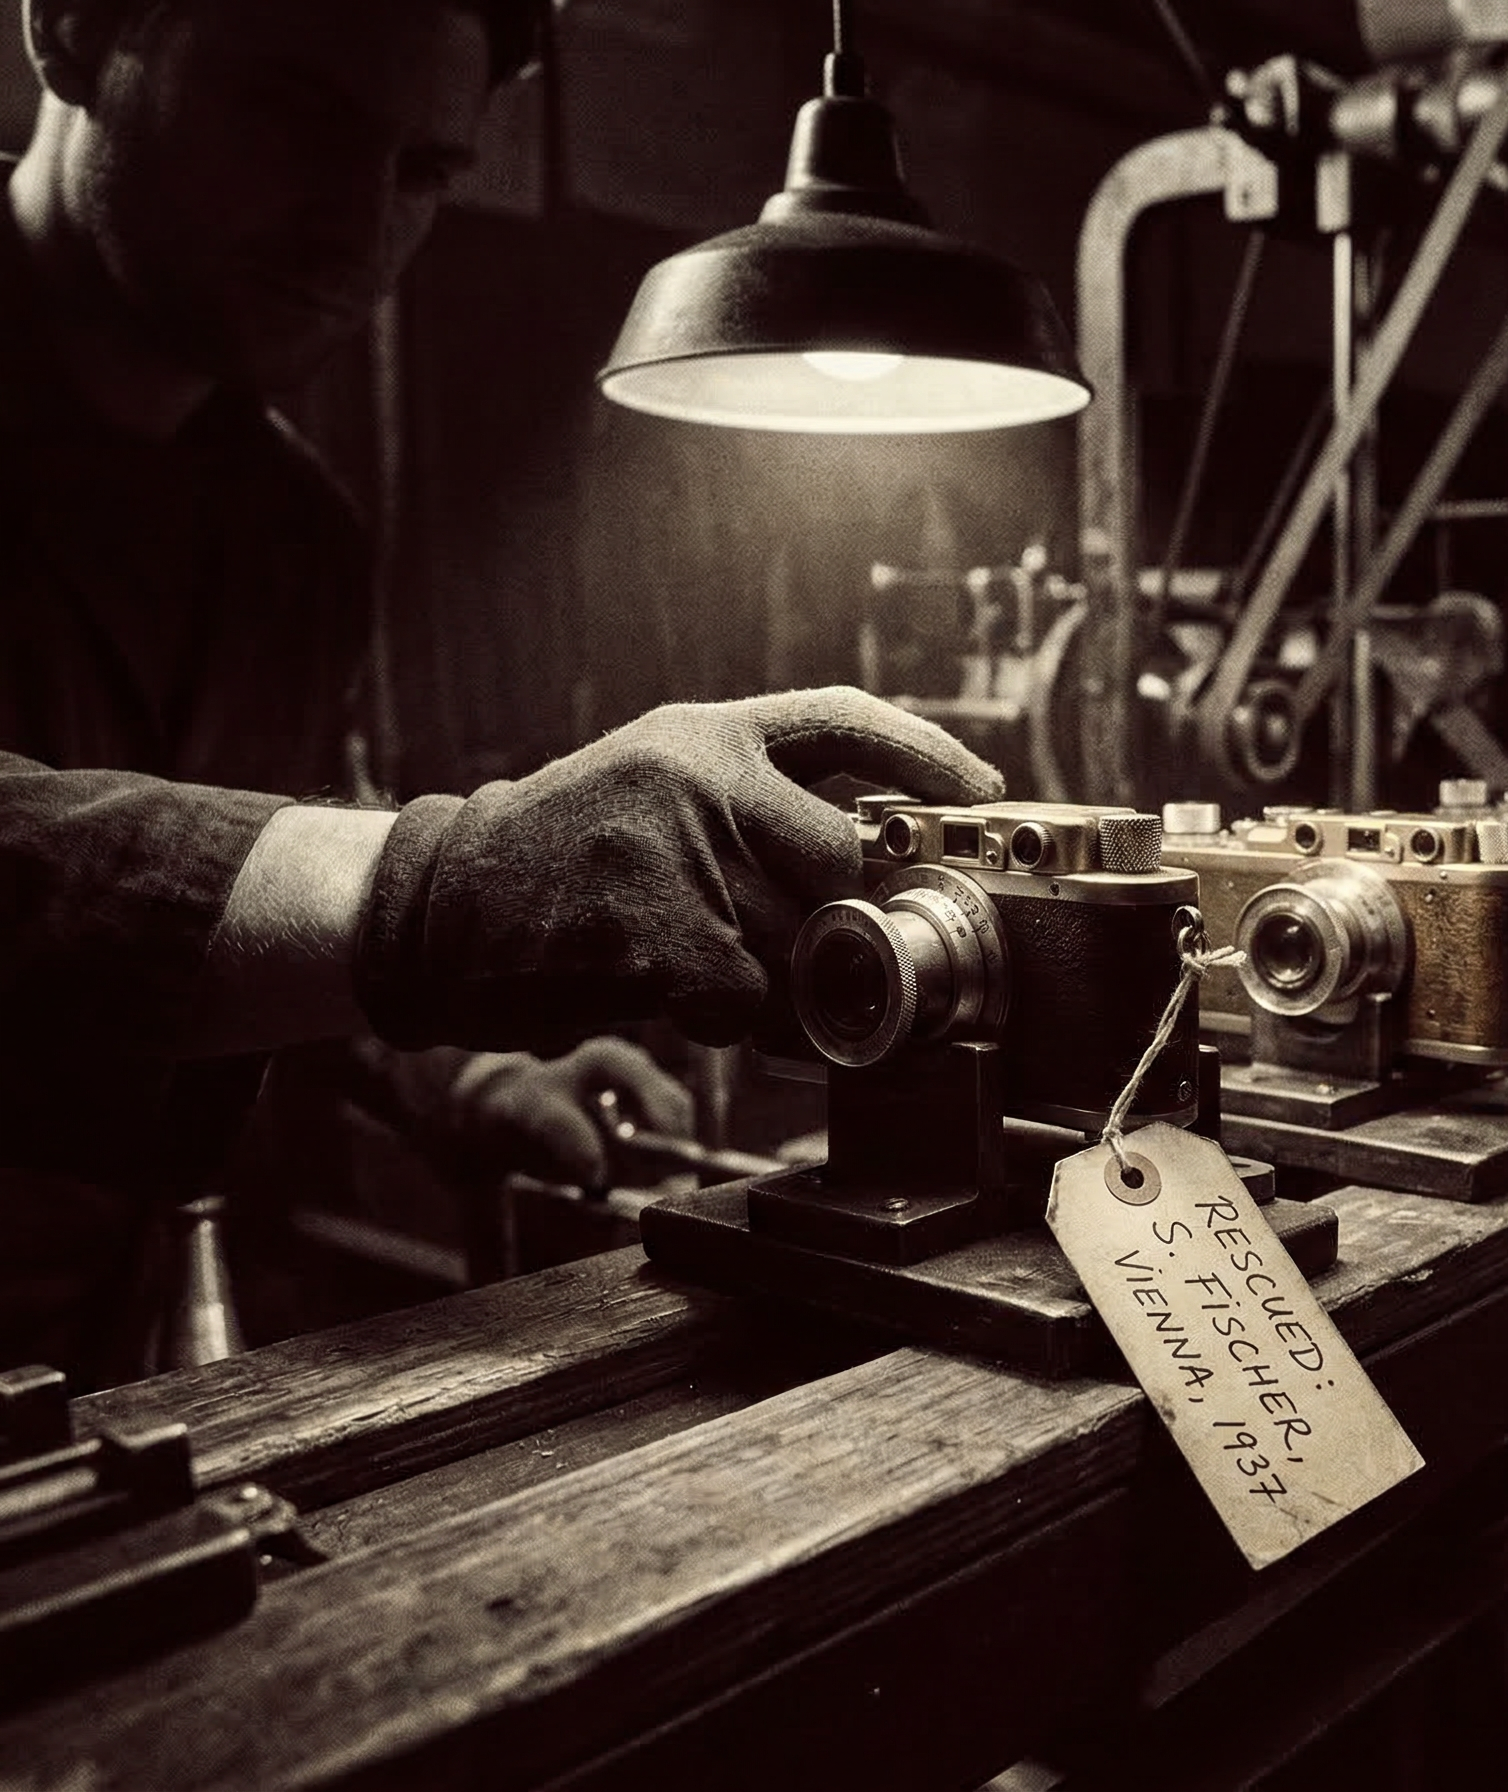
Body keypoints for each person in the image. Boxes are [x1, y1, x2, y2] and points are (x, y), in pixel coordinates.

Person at [0, 0, 1001, 1381]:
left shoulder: (295, 535)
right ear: (67, 34)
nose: (361, 231)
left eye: (422, 170)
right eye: (297, 114)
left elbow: (261, 869)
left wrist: (463, 1076)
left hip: (111, 1364)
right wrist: (446, 886)